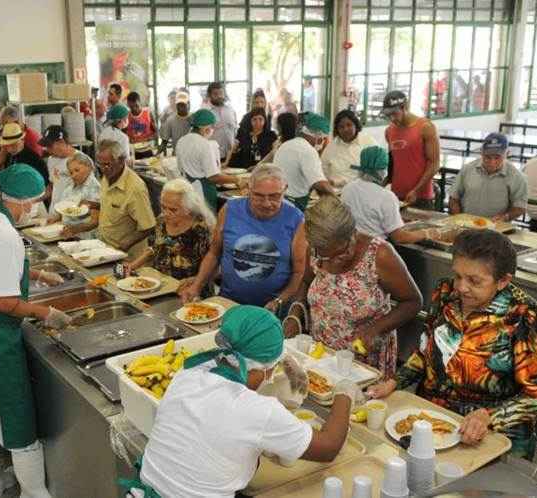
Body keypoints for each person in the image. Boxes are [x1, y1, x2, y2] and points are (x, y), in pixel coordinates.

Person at [368, 229, 537, 459]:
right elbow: (426, 349)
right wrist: (395, 381)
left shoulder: (527, 318)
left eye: (474, 281)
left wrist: (488, 417)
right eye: (457, 275)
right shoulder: (446, 292)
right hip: (432, 420)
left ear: (503, 281)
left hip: (491, 434)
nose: (461, 287)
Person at [132, 305, 358, 498]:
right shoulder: (258, 411)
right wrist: (344, 393)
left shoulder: (189, 371)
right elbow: (329, 448)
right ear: (269, 369)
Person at [0, 164, 72, 498]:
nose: (35, 208)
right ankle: (35, 492)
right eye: (34, 202)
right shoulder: (7, 235)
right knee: (16, 419)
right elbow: (3, 300)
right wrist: (47, 313)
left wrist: (36, 275)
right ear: (21, 201)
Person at [285, 196, 422, 376]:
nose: (333, 261)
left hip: (364, 362)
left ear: (352, 234)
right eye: (327, 257)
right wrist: (295, 313)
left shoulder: (380, 255)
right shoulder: (316, 250)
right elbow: (306, 282)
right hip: (322, 354)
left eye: (341, 253)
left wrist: (376, 329)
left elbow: (413, 302)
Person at [180, 165, 307, 310]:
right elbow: (214, 253)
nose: (266, 203)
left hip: (272, 309)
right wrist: (196, 285)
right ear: (248, 189)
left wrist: (279, 301)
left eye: (274, 196)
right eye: (258, 196)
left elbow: (299, 272)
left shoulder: (296, 219)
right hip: (228, 303)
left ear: (285, 190)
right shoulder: (230, 209)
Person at [126, 179, 215, 296]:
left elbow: (216, 268)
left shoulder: (202, 229)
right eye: (163, 207)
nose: (166, 213)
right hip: (161, 287)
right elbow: (154, 247)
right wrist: (133, 265)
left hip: (191, 293)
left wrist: (195, 281)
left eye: (173, 210)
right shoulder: (162, 220)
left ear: (188, 208)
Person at [342, 146, 435, 244]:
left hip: (353, 245)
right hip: (376, 250)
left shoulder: (348, 188)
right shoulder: (386, 197)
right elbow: (399, 237)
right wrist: (426, 233)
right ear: (384, 170)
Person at [96, 139, 156, 257]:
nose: (103, 169)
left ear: (121, 160)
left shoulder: (135, 188)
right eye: (100, 164)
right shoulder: (108, 176)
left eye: (107, 164)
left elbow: (148, 226)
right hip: (106, 250)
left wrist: (124, 245)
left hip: (128, 257)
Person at [449, 133, 528, 222]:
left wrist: (506, 217)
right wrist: (459, 219)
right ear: (481, 152)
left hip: (497, 228)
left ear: (507, 154)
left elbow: (520, 207)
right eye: (487, 157)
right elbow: (454, 198)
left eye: (497, 157)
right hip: (467, 225)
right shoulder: (467, 169)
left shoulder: (517, 176)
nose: (492, 162)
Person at [175, 109, 243, 211]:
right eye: (212, 127)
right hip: (204, 192)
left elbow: (180, 168)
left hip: (187, 190)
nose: (212, 130)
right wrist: (237, 180)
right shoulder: (204, 144)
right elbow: (213, 177)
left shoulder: (181, 140)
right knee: (208, 222)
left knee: (193, 222)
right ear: (206, 128)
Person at [383, 90, 441, 209]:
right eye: (388, 115)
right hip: (397, 195)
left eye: (394, 113)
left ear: (404, 107)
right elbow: (393, 162)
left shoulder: (425, 127)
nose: (392, 118)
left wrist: (416, 190)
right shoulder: (389, 131)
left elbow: (434, 163)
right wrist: (382, 183)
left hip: (421, 196)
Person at [273, 112, 334, 211]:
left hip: (279, 200)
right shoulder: (307, 150)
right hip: (293, 205)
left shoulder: (286, 145)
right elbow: (320, 184)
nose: (322, 142)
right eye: (322, 138)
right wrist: (339, 201)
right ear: (317, 135)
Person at [43, 151, 101, 240]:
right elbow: (66, 209)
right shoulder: (70, 187)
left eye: (77, 170)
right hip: (68, 234)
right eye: (71, 172)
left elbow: (94, 222)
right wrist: (56, 218)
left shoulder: (95, 188)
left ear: (89, 168)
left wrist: (76, 229)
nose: (74, 175)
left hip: (86, 239)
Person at [320, 110, 377, 187]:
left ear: (356, 125)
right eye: (341, 127)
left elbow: (377, 171)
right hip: (336, 192)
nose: (345, 129)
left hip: (361, 190)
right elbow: (323, 169)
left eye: (349, 125)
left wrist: (342, 182)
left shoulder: (368, 142)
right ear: (337, 129)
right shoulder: (331, 147)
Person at [38, 125, 76, 211]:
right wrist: (34, 200)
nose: (47, 149)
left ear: (61, 142)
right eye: (46, 146)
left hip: (72, 213)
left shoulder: (81, 160)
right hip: (54, 212)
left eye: (50, 146)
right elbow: (52, 186)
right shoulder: (51, 160)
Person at [204, 82, 237, 162]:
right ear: (209, 95)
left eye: (221, 93)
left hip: (232, 155)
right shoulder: (205, 112)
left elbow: (234, 130)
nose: (219, 96)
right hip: (213, 157)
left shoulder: (231, 110)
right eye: (215, 94)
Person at [157, 91, 192, 155]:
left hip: (192, 153)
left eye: (183, 105)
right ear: (176, 105)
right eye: (179, 105)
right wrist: (161, 148)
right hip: (177, 154)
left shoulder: (193, 119)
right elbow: (165, 140)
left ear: (188, 104)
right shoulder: (170, 120)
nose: (181, 108)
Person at [125, 91, 157, 157]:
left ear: (140, 102)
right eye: (131, 107)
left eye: (136, 105)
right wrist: (129, 140)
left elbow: (156, 133)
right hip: (133, 151)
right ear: (128, 105)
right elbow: (124, 135)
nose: (134, 109)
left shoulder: (148, 113)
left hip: (147, 150)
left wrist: (146, 139)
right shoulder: (126, 116)